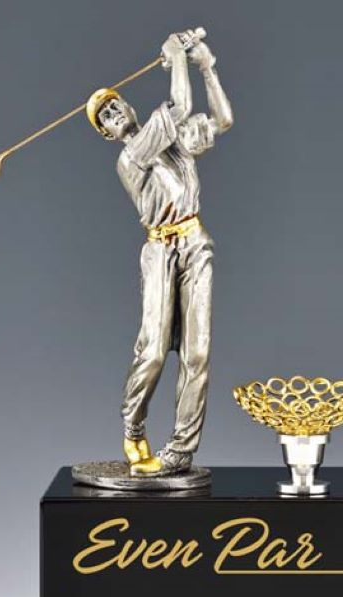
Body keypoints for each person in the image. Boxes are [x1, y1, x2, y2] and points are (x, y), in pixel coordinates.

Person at [85, 31, 233, 476]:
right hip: (160, 251)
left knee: (197, 354)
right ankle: (133, 425)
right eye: (106, 116)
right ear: (106, 133)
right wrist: (176, 57)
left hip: (195, 243)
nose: (115, 113)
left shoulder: (173, 142)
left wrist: (206, 66)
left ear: (128, 106)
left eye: (116, 105)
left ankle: (181, 450)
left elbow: (222, 119)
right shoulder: (131, 156)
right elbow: (180, 106)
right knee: (152, 352)